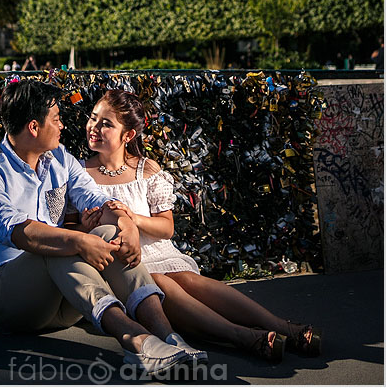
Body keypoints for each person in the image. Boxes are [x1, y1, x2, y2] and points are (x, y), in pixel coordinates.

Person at [0, 79, 206, 376]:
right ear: (33, 127)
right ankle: (136, 341)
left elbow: (95, 198)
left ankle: (168, 337)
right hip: (7, 300)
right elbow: (18, 232)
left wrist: (125, 224)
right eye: (56, 119)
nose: (63, 126)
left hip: (63, 299)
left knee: (104, 233)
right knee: (59, 245)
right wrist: (79, 241)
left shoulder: (60, 160)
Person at [72, 89, 323, 363]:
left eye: (106, 123)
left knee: (188, 279)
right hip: (124, 266)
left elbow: (166, 228)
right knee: (161, 283)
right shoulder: (80, 174)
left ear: (128, 135)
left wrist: (132, 217)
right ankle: (243, 336)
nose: (93, 128)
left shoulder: (145, 169)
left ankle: (281, 326)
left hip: (160, 252)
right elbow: (73, 230)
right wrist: (86, 227)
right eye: (93, 118)